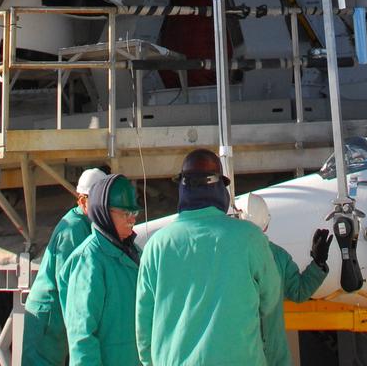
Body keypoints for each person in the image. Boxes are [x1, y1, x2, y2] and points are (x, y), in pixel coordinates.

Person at [136, 149, 281, 366]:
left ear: (182, 188)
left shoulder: (157, 245)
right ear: (221, 189)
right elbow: (270, 303)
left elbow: (144, 323)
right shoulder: (250, 237)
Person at [23, 167, 108, 366]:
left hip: (53, 316)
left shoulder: (83, 224)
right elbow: (69, 288)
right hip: (49, 316)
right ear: (83, 200)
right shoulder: (73, 229)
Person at [61, 173, 142, 366]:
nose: (132, 219)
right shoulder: (88, 260)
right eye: (125, 213)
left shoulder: (135, 252)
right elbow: (82, 336)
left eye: (134, 213)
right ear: (103, 212)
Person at [244, 193, 331, 366]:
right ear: (266, 225)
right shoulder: (279, 257)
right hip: (274, 356)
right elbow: (299, 292)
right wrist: (318, 263)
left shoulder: (227, 256)